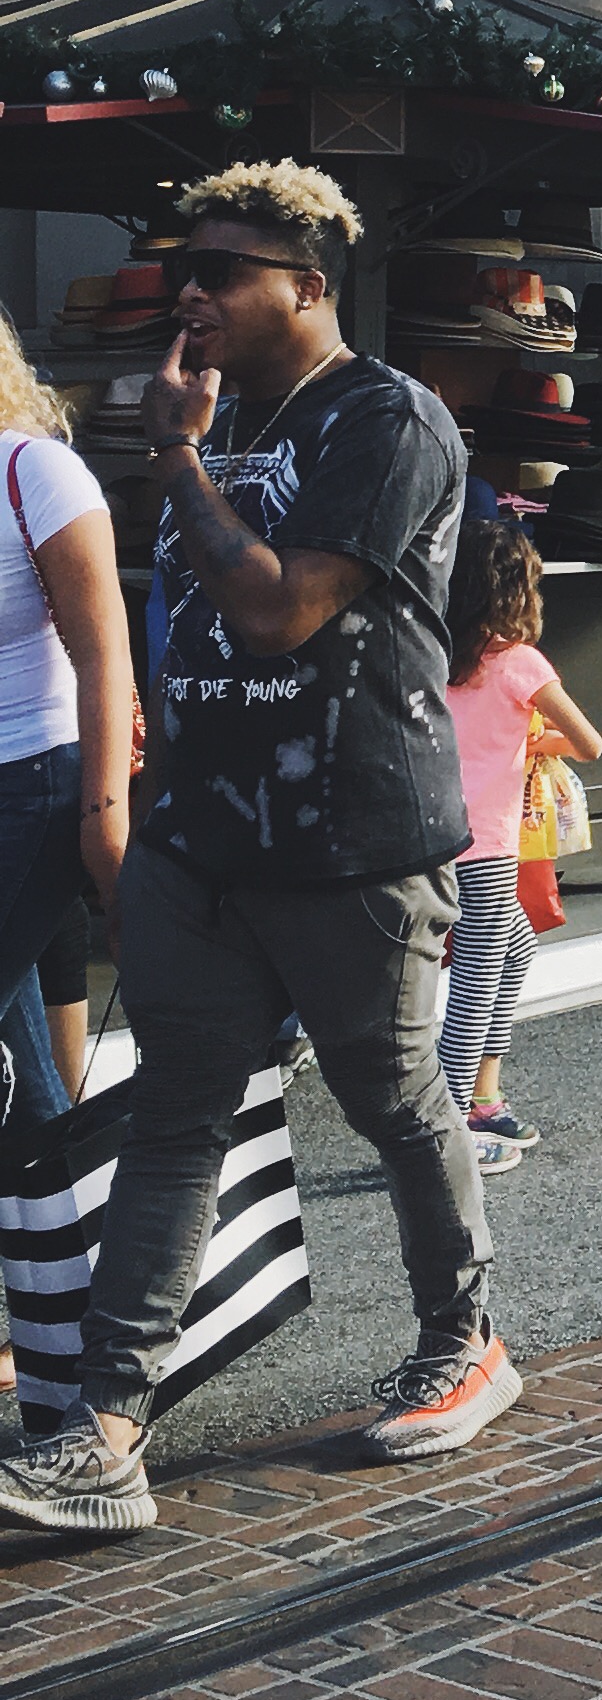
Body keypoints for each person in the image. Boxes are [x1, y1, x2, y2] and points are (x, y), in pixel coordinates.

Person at [0, 162, 512, 1546]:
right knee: (177, 1112)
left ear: (308, 286)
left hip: (352, 834)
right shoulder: (219, 421)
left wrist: (174, 459)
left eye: (222, 272)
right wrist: (146, 811)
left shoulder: (388, 418)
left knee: (394, 1099)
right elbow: (182, 629)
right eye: (188, 269)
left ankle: (463, 1338)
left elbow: (281, 609)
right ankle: (106, 1431)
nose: (193, 293)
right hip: (205, 842)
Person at [0, 307, 138, 1434]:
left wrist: (105, 823)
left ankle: (58, 1342)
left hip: (34, 788)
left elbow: (104, 657)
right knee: (23, 1068)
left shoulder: (35, 470)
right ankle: (61, 1341)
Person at [437, 516, 602, 1167]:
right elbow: (590, 744)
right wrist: (535, 742)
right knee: (475, 984)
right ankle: (450, 1127)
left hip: (432, 840)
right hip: (486, 849)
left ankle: (481, 1101)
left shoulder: (435, 653)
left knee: (516, 945)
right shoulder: (520, 663)